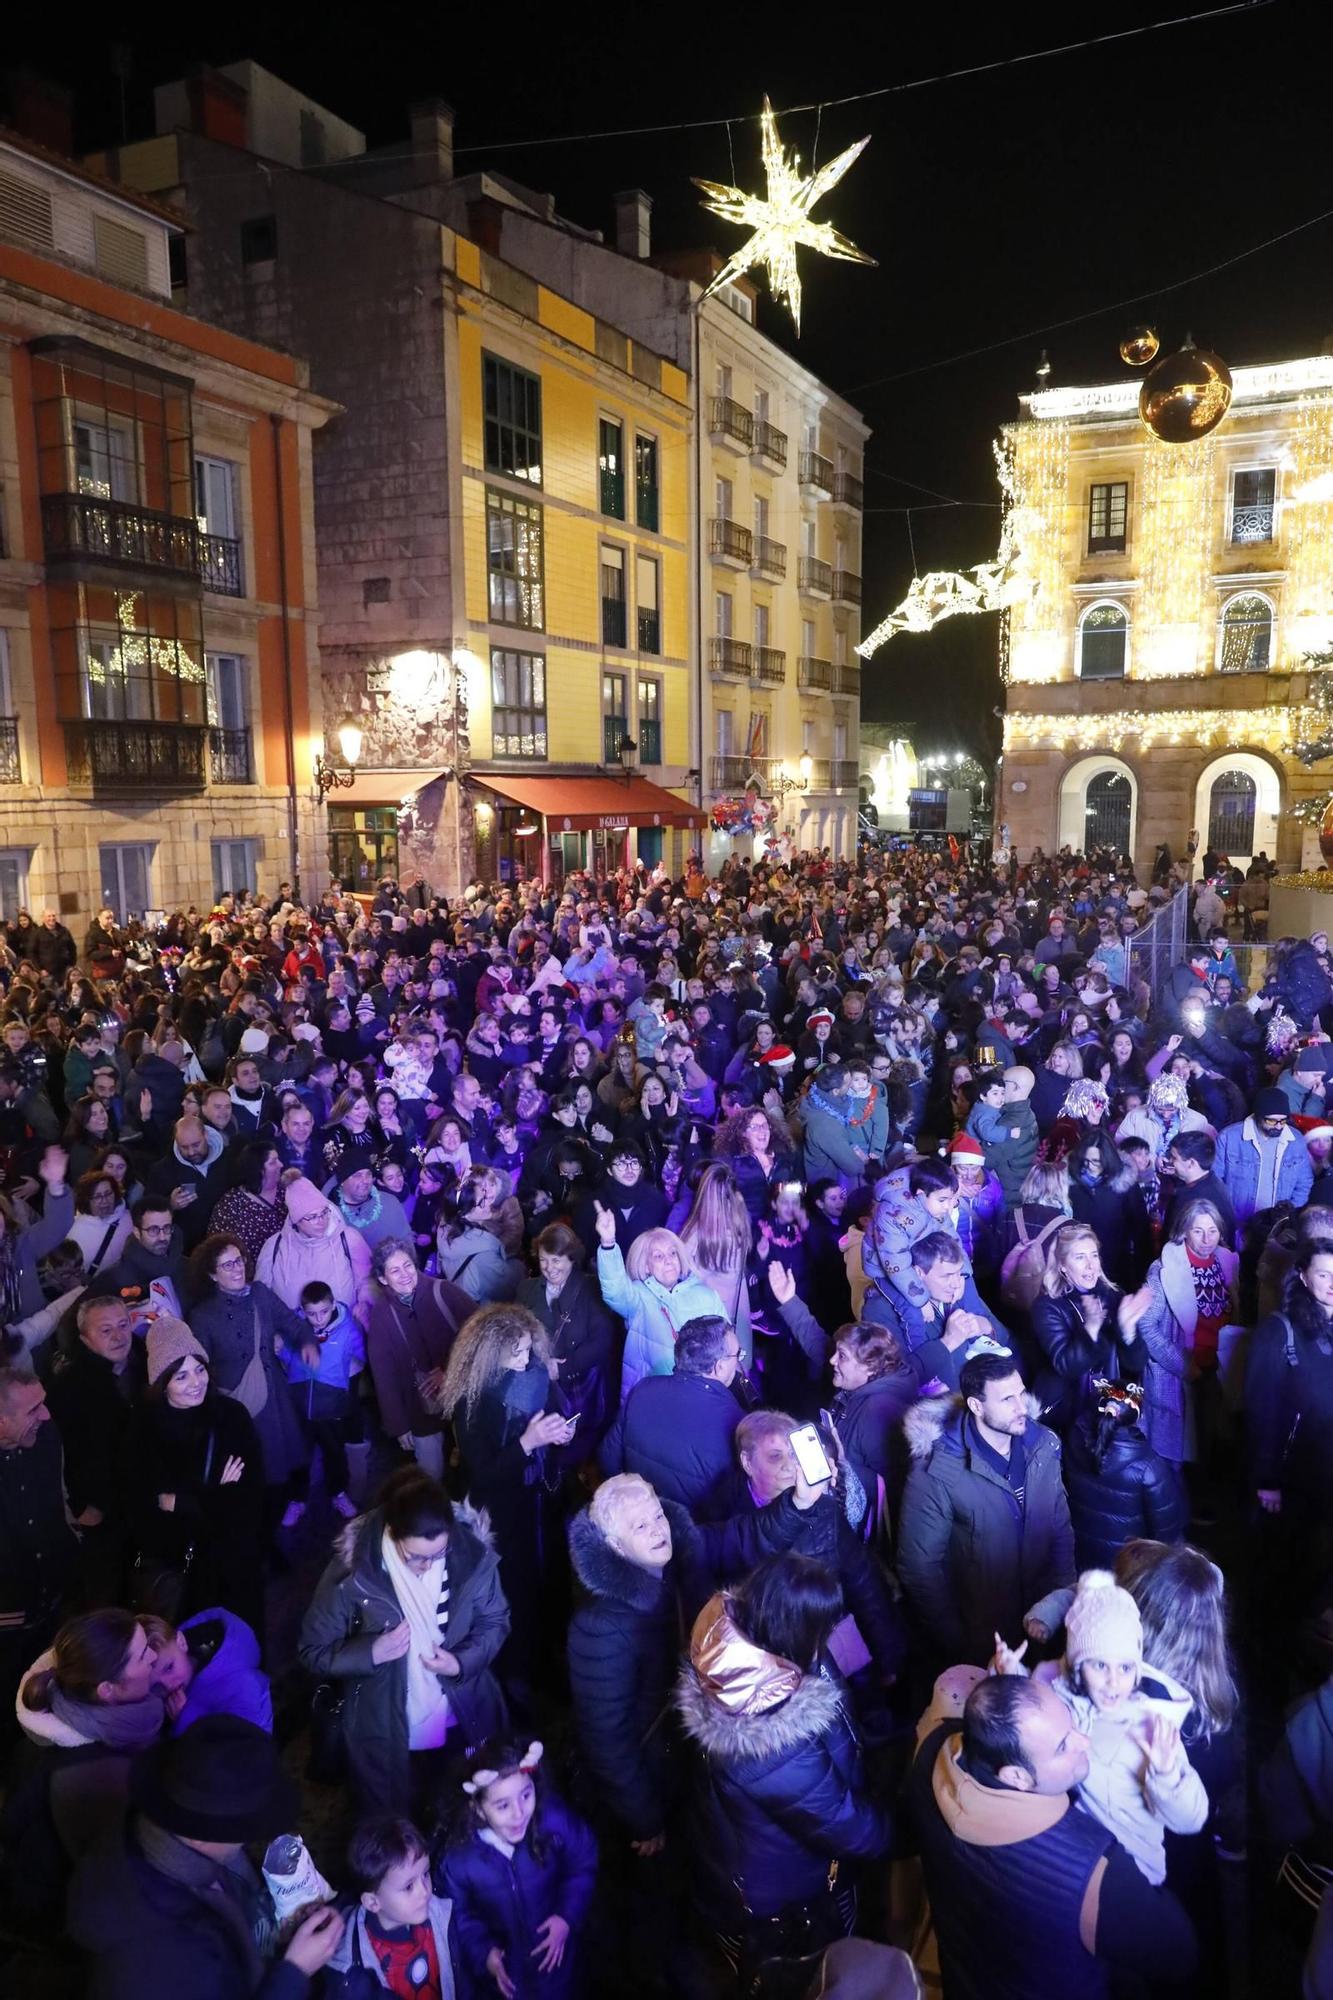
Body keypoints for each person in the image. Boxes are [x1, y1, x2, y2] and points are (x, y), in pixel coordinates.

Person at [564, 1470, 826, 1858]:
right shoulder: (600, 1629)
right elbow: (607, 1742)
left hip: (691, 1746)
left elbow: (743, 1535)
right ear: (615, 1546)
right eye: (641, 1525)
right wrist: (645, 1819)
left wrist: (798, 1503)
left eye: (657, 1515)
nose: (658, 1530)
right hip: (658, 1770)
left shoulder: (678, 1554)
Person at [909, 1669, 1198, 2000]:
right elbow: (1178, 1951)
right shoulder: (1089, 1871)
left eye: (1071, 1723)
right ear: (1017, 1777)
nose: (1084, 1741)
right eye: (1063, 1746)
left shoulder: (931, 1752)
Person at [675, 1554, 890, 1974]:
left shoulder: (750, 1648)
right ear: (799, 1631)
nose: (830, 1635)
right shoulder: (772, 1746)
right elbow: (847, 1827)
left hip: (752, 1855)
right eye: (824, 1627)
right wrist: (907, 1829)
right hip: (789, 1891)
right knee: (817, 1969)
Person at [66, 1715, 345, 2000]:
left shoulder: (146, 1832)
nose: (249, 1837)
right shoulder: (161, 1957)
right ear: (200, 1835)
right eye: (246, 1828)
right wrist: (295, 1971)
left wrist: (277, 1930)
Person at [299, 1466, 509, 1813]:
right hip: (387, 1729)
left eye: (438, 1555)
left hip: (462, 1714)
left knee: (464, 1806)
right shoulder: (352, 1574)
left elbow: (495, 1620)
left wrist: (460, 1662)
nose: (428, 1567)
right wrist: (371, 1652)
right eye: (415, 1557)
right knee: (397, 1816)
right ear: (391, 1532)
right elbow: (312, 1650)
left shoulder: (471, 1555)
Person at [994, 1568, 1208, 1885]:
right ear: (1078, 1667)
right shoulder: (1055, 1689)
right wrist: (1013, 1678)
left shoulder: (1150, 1724)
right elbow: (1034, 1727)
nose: (1113, 1682)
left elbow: (1192, 1818)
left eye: (1125, 1667)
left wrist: (1167, 1776)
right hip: (1075, 1857)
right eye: (1099, 1665)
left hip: (1131, 1876)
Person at [898, 1348, 1075, 1669]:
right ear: (977, 1406)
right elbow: (920, 1568)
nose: (1022, 1407)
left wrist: (1062, 1601)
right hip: (983, 1639)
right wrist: (958, 1640)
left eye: (1021, 1394)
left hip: (1041, 1623)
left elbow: (1059, 1526)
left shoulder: (1043, 1445)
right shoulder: (938, 1472)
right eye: (1007, 1400)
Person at [437, 1302, 574, 1680]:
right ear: (489, 1353)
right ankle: (519, 1674)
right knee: (516, 1593)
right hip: (502, 1516)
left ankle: (550, 1657)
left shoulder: (535, 1375)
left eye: (529, 1349)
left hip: (541, 1504)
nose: (526, 1358)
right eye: (516, 1352)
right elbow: (481, 1476)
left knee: (549, 1581)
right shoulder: (472, 1401)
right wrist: (526, 1444)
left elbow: (553, 1412)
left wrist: (561, 1432)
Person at [4, 1608, 164, 1923]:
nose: (155, 1659)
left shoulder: (56, 1717)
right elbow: (119, 1875)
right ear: (108, 1690)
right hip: (61, 1911)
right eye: (143, 1654)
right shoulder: (101, 1776)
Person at [120, 1317, 264, 1636]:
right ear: (162, 1381)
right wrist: (216, 1494)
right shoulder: (144, 1428)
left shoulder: (230, 1417)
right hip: (180, 1566)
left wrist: (180, 1502)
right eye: (181, 1376)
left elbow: (250, 1497)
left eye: (200, 1369)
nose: (196, 1382)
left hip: (232, 1561)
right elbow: (141, 1506)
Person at [437, 1737, 597, 2000]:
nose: (520, 1813)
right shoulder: (459, 1860)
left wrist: (567, 1916)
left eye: (526, 1794)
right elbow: (458, 1915)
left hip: (560, 1967)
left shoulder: (553, 1822)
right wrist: (483, 1952)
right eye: (502, 1805)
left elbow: (583, 1860)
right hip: (507, 1983)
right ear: (477, 1808)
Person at [188, 1233, 309, 1531]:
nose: (237, 1268)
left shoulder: (261, 1294)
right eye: (227, 1265)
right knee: (257, 1465)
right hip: (239, 1403)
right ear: (211, 1273)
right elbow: (201, 1366)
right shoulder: (203, 1316)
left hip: (275, 1394)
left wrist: (309, 1342)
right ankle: (261, 1524)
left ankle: (284, 1510)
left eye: (239, 1260)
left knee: (285, 1455)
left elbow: (292, 1323)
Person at [0, 1366, 80, 1733]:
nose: (46, 1415)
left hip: (54, 1608)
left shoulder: (48, 1436)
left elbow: (60, 1498)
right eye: (33, 1409)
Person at [599, 1315, 744, 1516]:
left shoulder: (643, 1389)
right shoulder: (736, 1422)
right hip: (696, 1536)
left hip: (643, 1519)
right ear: (719, 1366)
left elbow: (608, 1458)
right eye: (738, 1355)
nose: (738, 1362)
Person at [1137, 1198, 1238, 1471]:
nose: (1207, 1239)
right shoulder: (1164, 1270)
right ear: (1183, 1231)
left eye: (1213, 1231)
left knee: (1209, 1447)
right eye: (1198, 1231)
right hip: (1180, 1373)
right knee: (1174, 1460)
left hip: (1217, 1372)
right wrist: (1183, 1364)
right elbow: (1146, 1326)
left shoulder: (1228, 1264)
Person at [365, 1238, 472, 1482]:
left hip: (464, 1395)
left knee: (474, 1462)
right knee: (430, 1474)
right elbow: (384, 1375)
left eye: (408, 1266)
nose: (405, 1275)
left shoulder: (443, 1290)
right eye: (394, 1270)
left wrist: (449, 1368)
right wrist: (399, 1425)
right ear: (383, 1279)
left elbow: (481, 1330)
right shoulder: (382, 1315)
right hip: (419, 1409)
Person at [1030, 1224, 1151, 1432]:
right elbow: (1065, 1365)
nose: (1091, 1265)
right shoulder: (1047, 1306)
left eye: (1094, 1255)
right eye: (1080, 1257)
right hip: (1068, 1413)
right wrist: (1091, 1331)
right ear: (1062, 1266)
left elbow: (1136, 1364)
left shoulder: (1113, 1296)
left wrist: (1128, 1331)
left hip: (1110, 1405)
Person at [325, 1812, 458, 2000]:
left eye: (425, 1874)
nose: (425, 1891)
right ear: (373, 1902)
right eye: (409, 1886)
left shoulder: (442, 1913)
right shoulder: (350, 1970)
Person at [592, 1207, 723, 1397]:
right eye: (658, 1256)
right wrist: (608, 1243)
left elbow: (725, 1344)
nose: (668, 1261)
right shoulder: (638, 1296)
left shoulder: (707, 1295)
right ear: (646, 1266)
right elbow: (615, 1290)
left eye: (672, 1254)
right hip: (650, 1396)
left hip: (698, 1393)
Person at [516, 1221, 621, 1448]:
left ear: (571, 1259)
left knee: (577, 1444)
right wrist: (540, 1364)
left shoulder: (592, 1288)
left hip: (578, 1386)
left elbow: (602, 1342)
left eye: (556, 1260)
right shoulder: (526, 1289)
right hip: (539, 1385)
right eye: (543, 1260)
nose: (549, 1267)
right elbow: (516, 1334)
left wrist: (561, 1368)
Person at [1062, 1382, 1187, 1573]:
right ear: (1139, 1418)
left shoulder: (1073, 1439)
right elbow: (1167, 1535)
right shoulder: (1149, 1467)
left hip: (1081, 1558)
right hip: (1127, 1569)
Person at [142, 1605, 273, 1734]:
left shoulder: (241, 1686)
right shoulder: (172, 1650)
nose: (168, 1685)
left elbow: (250, 1746)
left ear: (181, 1642)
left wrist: (186, 1721)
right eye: (155, 1686)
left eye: (169, 1668)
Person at [1215, 1087, 1314, 1243]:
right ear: (1258, 1116)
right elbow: (1215, 1181)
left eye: (1283, 1120)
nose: (1279, 1126)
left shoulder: (1296, 1141)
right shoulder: (1229, 1138)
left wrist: (1288, 1215)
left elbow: (1304, 1183)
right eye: (1271, 1121)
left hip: (1277, 1229)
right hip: (1236, 1224)